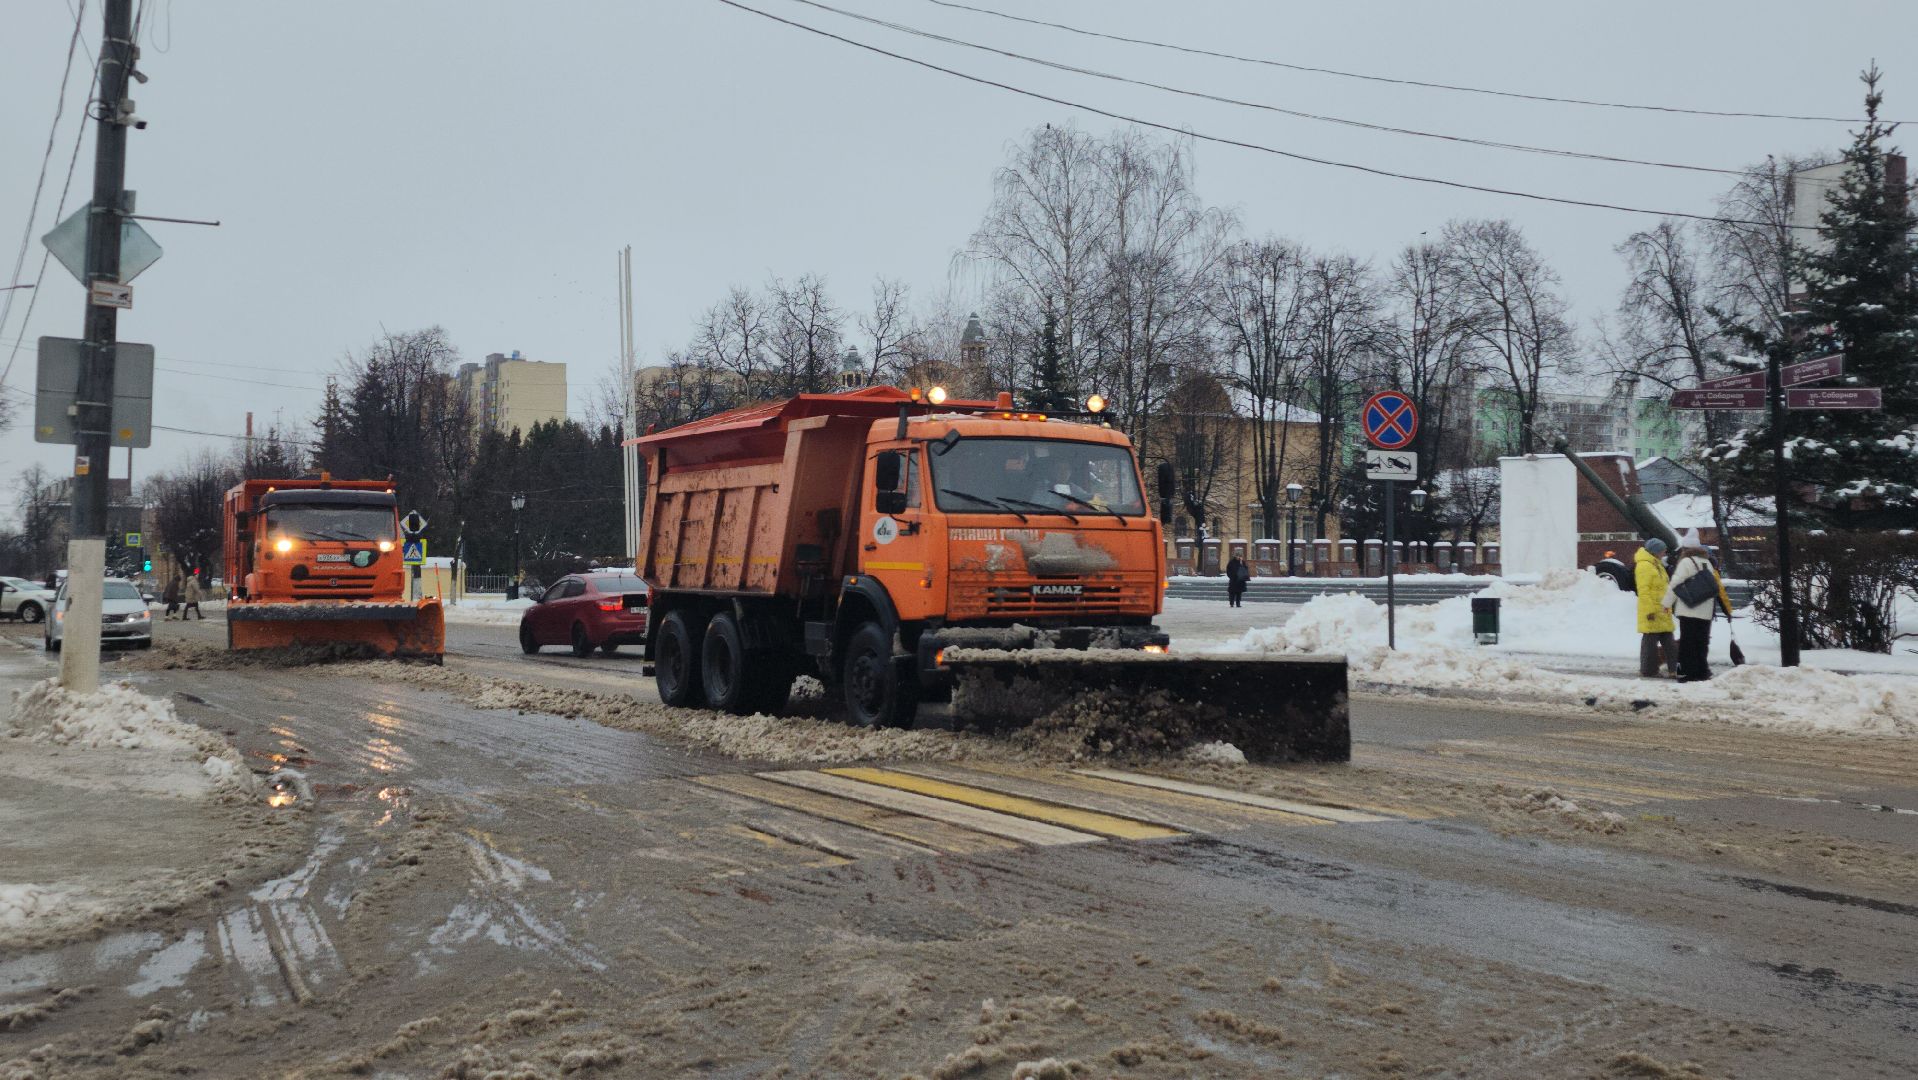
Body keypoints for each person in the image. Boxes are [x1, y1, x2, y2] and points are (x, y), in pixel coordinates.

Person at [1665, 542, 1733, 682]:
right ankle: (1702, 671)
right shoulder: (1707, 562)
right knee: (1702, 642)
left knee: (1687, 642)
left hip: (1689, 608)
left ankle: (1687, 672)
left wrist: (1666, 603)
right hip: (1706, 609)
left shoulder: (1686, 562)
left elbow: (1676, 582)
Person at [1634, 537, 1678, 678]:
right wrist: (1650, 611)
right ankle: (1648, 670)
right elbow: (1644, 591)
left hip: (1663, 610)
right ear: (1655, 551)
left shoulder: (1657, 564)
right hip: (1652, 612)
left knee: (1669, 643)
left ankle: (1673, 670)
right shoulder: (1644, 566)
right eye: (1663, 550)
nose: (1664, 553)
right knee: (1650, 644)